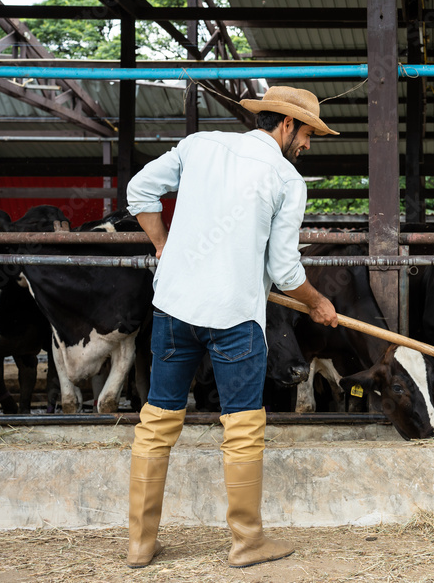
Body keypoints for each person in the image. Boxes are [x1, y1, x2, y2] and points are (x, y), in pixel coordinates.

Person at [124, 86, 340, 569]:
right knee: (242, 429)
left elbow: (138, 190)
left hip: (174, 308)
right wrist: (318, 301)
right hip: (236, 319)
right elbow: (285, 271)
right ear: (286, 124)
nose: (307, 145)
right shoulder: (286, 179)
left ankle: (140, 545)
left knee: (156, 422)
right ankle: (246, 544)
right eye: (307, 134)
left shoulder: (200, 145)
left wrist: (163, 244)